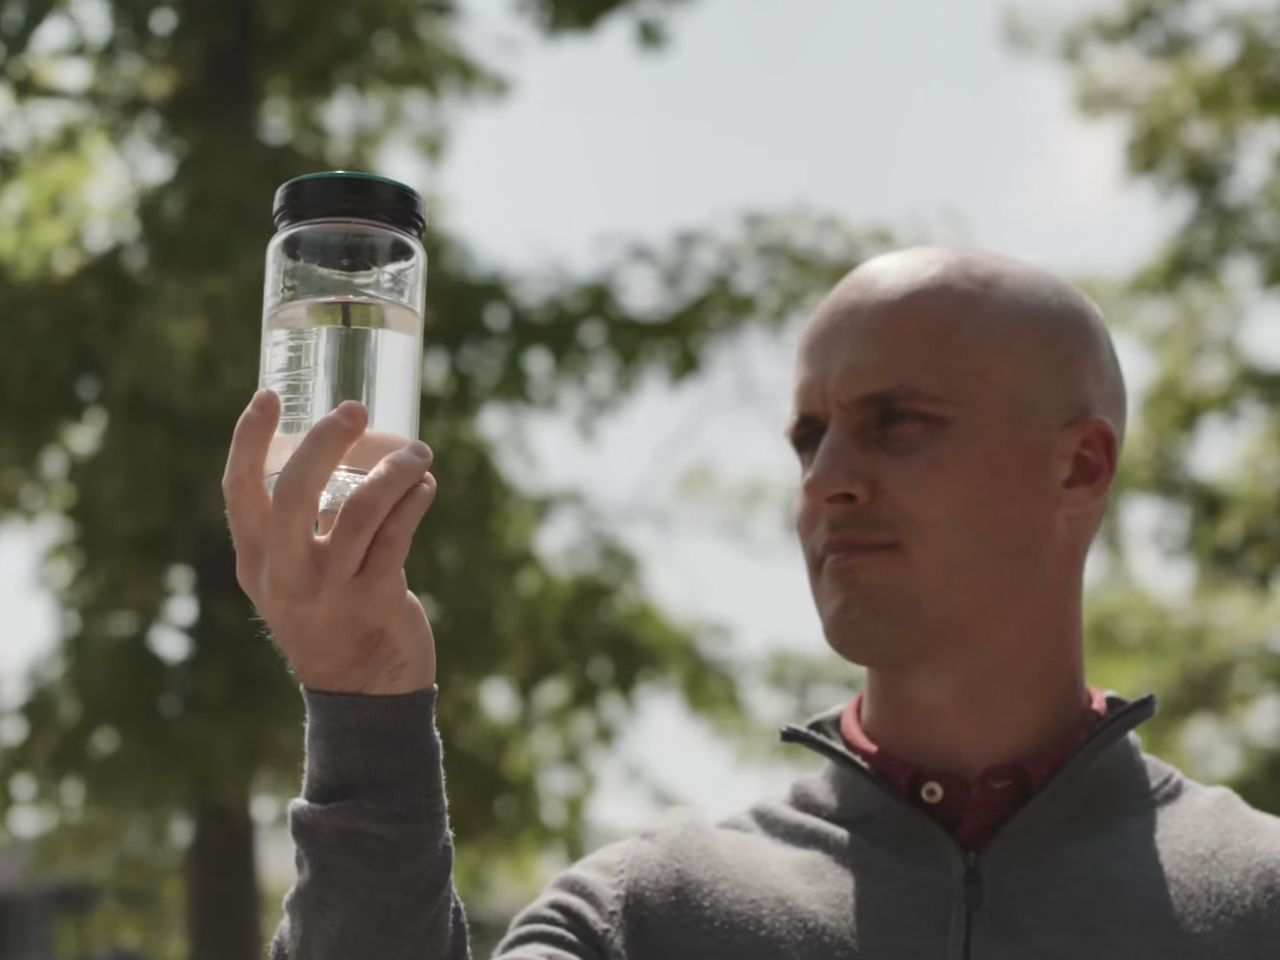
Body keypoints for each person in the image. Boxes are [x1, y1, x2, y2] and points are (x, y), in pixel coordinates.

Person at [223, 246, 1280, 960]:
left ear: (1079, 467)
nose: (826, 478)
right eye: (807, 436)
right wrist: (364, 706)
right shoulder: (650, 919)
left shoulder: (1257, 901)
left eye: (898, 422)